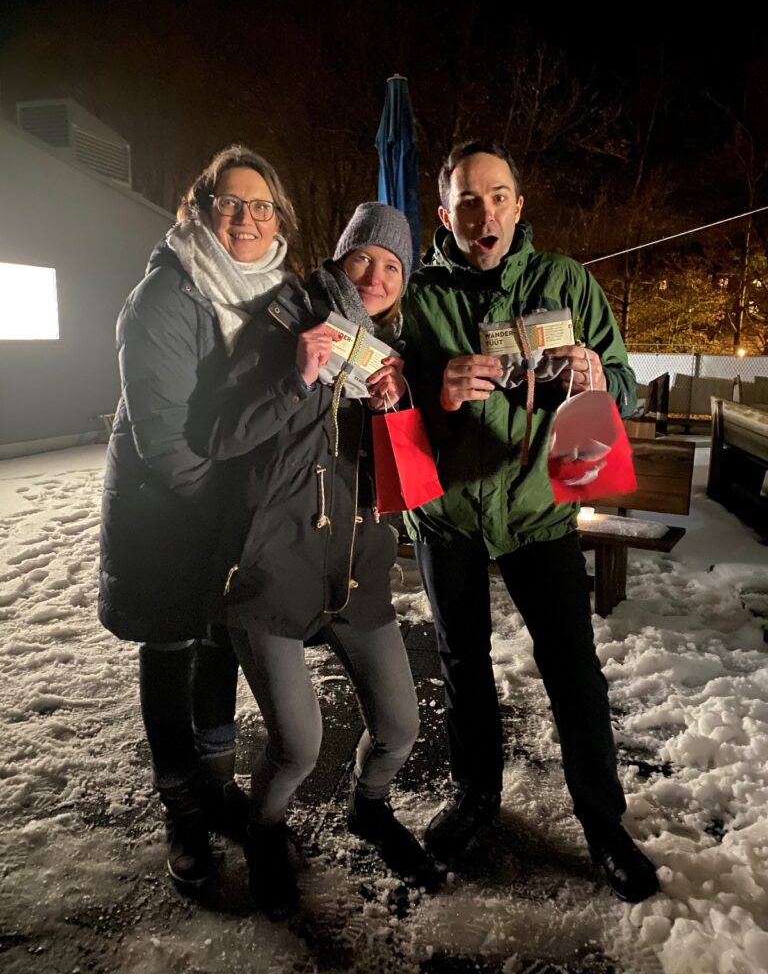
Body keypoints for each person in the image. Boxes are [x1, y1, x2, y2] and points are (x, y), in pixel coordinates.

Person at [401, 140, 660, 903]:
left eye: (500, 195)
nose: (486, 213)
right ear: (444, 213)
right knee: (463, 669)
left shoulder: (565, 282)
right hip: (447, 518)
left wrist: (597, 376)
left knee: (574, 675)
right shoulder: (416, 296)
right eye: (469, 201)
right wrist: (432, 384)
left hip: (539, 511)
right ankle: (477, 796)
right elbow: (380, 403)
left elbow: (628, 388)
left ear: (519, 203)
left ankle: (603, 824)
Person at [203, 202, 440, 914]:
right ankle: (264, 828)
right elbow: (221, 439)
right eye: (363, 257)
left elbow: (404, 481)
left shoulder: (387, 356)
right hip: (273, 567)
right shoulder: (283, 321)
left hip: (354, 571)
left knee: (401, 727)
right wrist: (297, 378)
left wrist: (396, 409)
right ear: (339, 257)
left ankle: (369, 807)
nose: (375, 275)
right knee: (298, 747)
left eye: (392, 266)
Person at [98, 144, 299, 888]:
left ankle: (217, 791)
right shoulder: (164, 296)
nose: (245, 219)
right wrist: (228, 517)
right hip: (165, 509)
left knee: (218, 646)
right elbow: (164, 441)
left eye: (261, 205)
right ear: (200, 210)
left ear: (280, 215)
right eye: (229, 205)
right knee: (172, 649)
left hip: (226, 509)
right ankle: (182, 810)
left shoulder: (279, 291)